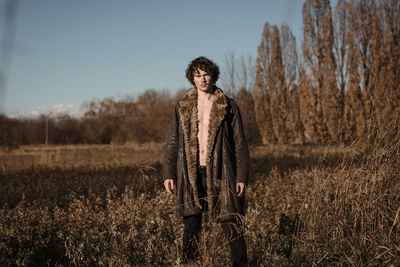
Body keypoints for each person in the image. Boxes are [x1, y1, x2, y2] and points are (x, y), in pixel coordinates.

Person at [163, 56, 249, 266]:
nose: (202, 79)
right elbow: (172, 141)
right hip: (192, 172)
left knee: (231, 222)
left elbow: (240, 143)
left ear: (213, 76)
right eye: (198, 75)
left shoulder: (228, 105)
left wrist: (241, 176)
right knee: (191, 224)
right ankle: (190, 263)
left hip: (222, 172)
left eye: (206, 74)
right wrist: (168, 173)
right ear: (192, 78)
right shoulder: (182, 105)